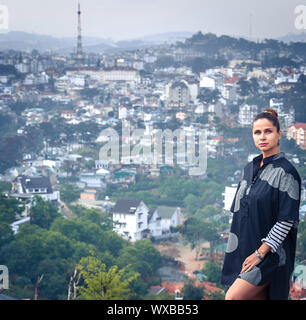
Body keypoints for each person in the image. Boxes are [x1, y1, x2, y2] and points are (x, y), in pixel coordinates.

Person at [221, 108, 301, 300]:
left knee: (232, 298)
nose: (262, 137)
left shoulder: (287, 172)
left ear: (279, 134)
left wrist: (260, 253)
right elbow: (240, 214)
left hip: (270, 256)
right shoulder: (249, 169)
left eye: (268, 131)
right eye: (257, 132)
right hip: (245, 250)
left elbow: (286, 220)